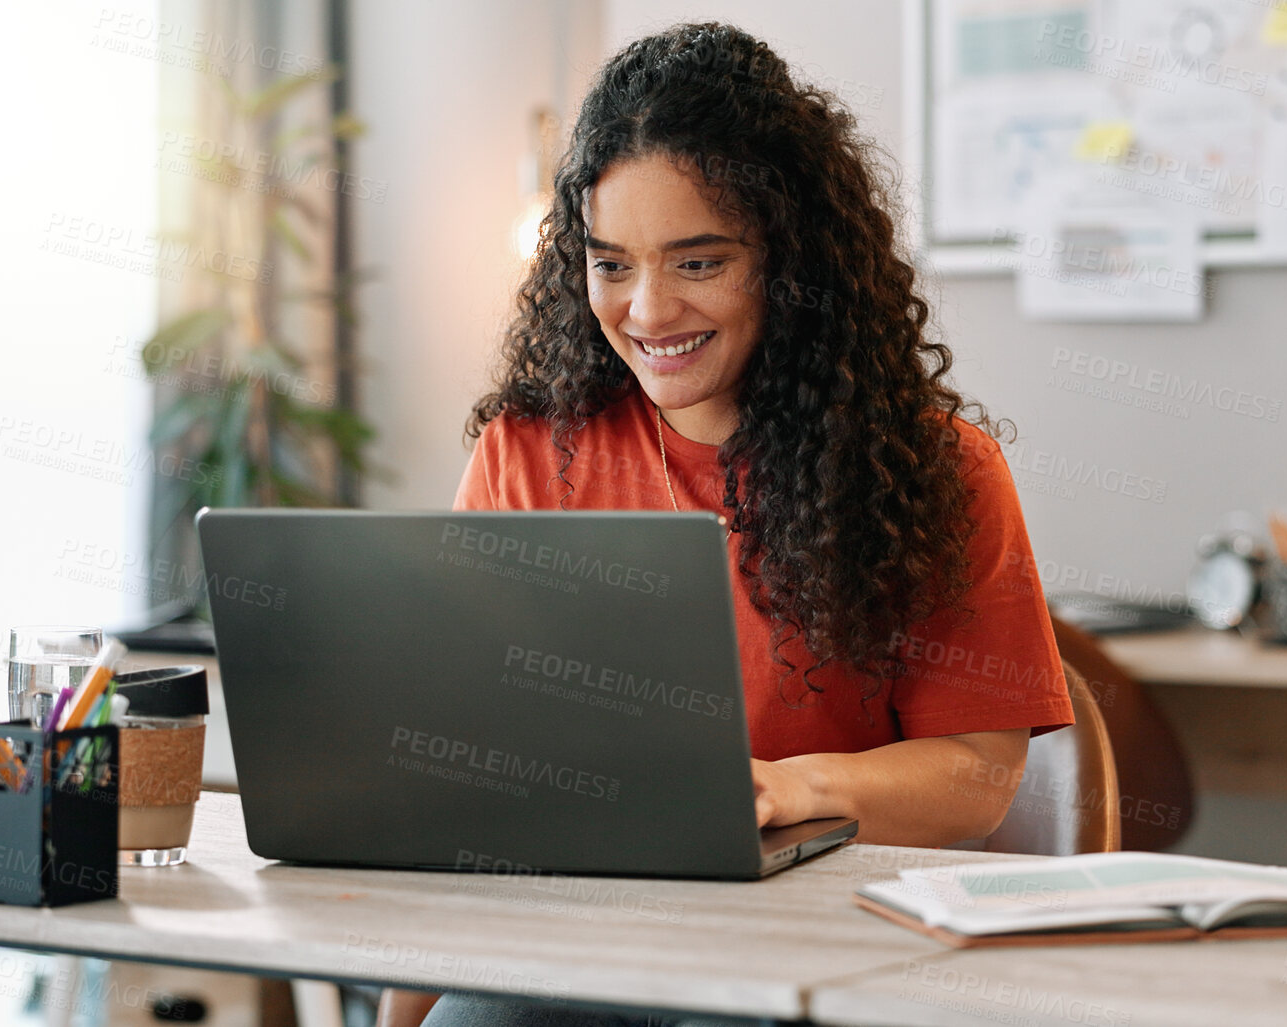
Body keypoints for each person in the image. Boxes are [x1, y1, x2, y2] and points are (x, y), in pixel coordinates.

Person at [388, 22, 1074, 1027]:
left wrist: (786, 789)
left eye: (699, 262)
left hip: (822, 943)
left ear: (789, 259)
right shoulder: (531, 449)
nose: (649, 309)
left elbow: (979, 772)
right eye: (611, 263)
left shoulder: (936, 471)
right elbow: (466, 779)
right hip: (574, 942)